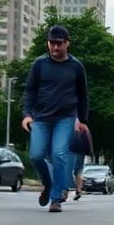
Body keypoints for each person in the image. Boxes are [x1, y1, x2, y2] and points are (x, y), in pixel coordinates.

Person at [21, 25, 89, 213]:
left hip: (65, 118)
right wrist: (27, 114)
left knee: (59, 155)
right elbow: (30, 91)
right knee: (35, 155)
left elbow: (83, 95)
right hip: (41, 118)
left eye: (59, 44)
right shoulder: (39, 64)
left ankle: (56, 198)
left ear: (67, 43)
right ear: (47, 44)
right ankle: (48, 183)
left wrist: (82, 120)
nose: (55, 48)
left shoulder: (76, 66)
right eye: (52, 44)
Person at [69, 123, 93, 201]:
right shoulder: (84, 125)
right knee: (77, 171)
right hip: (79, 150)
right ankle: (78, 189)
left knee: (74, 170)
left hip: (74, 149)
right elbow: (89, 139)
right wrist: (90, 151)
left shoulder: (72, 122)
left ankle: (74, 190)